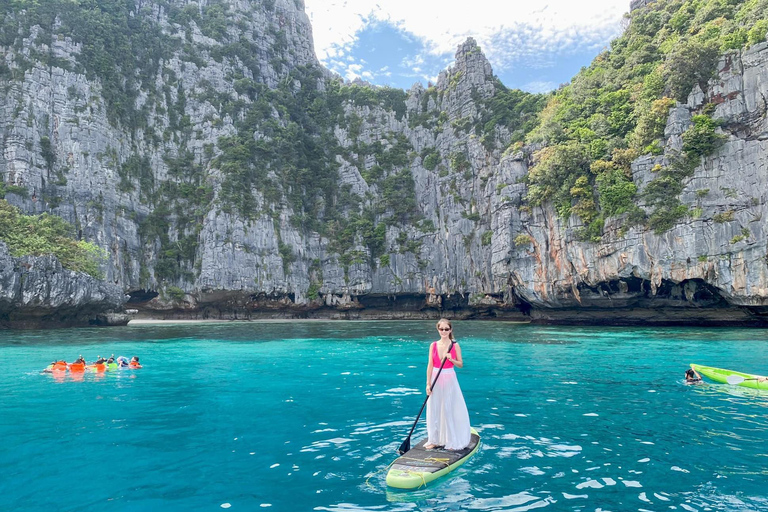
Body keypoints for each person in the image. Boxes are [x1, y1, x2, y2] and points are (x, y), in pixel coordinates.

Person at [423, 318, 471, 451]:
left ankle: (451, 440)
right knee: (434, 408)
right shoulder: (433, 345)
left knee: (449, 408)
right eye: (441, 329)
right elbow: (430, 365)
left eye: (446, 329)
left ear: (450, 330)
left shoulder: (455, 345)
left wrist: (452, 359)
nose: (444, 331)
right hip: (435, 378)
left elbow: (460, 364)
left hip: (449, 377)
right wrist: (428, 384)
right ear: (438, 329)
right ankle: (434, 439)